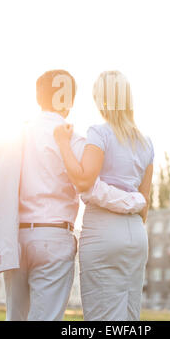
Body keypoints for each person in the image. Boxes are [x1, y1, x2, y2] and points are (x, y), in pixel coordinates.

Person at [0, 69, 146, 320]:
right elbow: (89, 186)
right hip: (54, 236)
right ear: (70, 100)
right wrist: (135, 201)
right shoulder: (75, 140)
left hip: (15, 237)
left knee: (15, 317)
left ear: (38, 97)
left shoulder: (13, 137)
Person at [54, 70, 154, 321]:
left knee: (102, 318)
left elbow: (84, 180)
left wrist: (63, 143)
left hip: (103, 232)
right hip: (136, 236)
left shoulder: (99, 134)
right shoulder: (146, 143)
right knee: (129, 318)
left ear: (101, 99)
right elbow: (145, 203)